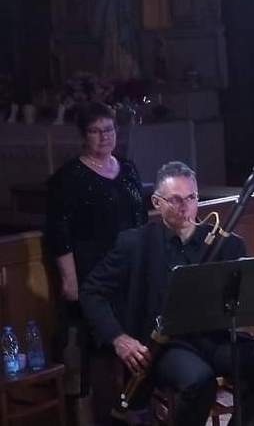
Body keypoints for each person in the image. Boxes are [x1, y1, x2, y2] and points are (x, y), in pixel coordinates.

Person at [80, 161, 254, 426]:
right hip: (166, 345)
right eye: (175, 199)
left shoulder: (227, 243)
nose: (185, 207)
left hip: (215, 339)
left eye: (191, 198)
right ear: (157, 202)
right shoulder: (134, 243)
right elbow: (92, 292)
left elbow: (240, 297)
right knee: (198, 382)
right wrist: (119, 339)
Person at [45, 101, 147, 421]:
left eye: (110, 129)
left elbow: (141, 220)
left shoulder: (128, 169)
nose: (105, 136)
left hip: (131, 271)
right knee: (103, 355)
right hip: (94, 276)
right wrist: (70, 280)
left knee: (140, 347)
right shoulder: (68, 178)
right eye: (96, 131)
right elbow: (58, 232)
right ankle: (107, 417)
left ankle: (137, 410)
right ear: (83, 136)